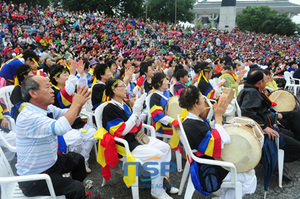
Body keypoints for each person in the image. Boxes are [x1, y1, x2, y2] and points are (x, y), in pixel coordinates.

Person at [16, 76, 99, 198]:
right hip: (35, 178)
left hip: (50, 163)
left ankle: (81, 193)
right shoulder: (29, 116)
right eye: (47, 87)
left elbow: (67, 113)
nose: (51, 90)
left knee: (78, 159)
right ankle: (79, 192)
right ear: (33, 93)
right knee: (75, 188)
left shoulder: (45, 108)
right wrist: (75, 103)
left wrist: (79, 104)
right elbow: (61, 128)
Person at [102, 78, 179, 199]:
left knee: (166, 148)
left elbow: (135, 124)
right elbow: (121, 131)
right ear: (114, 89)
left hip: (138, 138)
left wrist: (138, 115)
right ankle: (157, 192)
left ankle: (163, 183)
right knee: (158, 155)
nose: (126, 88)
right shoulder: (109, 109)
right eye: (122, 86)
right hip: (127, 143)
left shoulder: (124, 104)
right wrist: (135, 113)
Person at [179, 85, 257, 198]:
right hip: (208, 167)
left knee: (248, 172)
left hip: (205, 161)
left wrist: (217, 118)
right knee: (250, 177)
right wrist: (219, 117)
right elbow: (218, 144)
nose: (205, 100)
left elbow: (208, 131)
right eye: (202, 98)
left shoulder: (192, 119)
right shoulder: (192, 126)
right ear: (196, 103)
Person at [237, 69, 300, 164]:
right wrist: (263, 127)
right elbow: (247, 113)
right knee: (297, 147)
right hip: (263, 128)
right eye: (265, 80)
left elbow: (258, 111)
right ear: (259, 82)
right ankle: (271, 160)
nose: (266, 82)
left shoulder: (250, 90)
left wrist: (272, 117)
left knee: (291, 130)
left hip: (268, 121)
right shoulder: (251, 93)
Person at [49, 61, 96, 173]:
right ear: (56, 78)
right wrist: (72, 74)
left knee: (92, 133)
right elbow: (67, 92)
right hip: (63, 125)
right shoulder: (54, 91)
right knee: (76, 138)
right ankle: (76, 163)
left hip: (76, 122)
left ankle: (83, 160)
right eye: (64, 75)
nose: (67, 77)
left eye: (67, 74)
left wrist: (82, 75)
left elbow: (82, 89)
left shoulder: (69, 86)